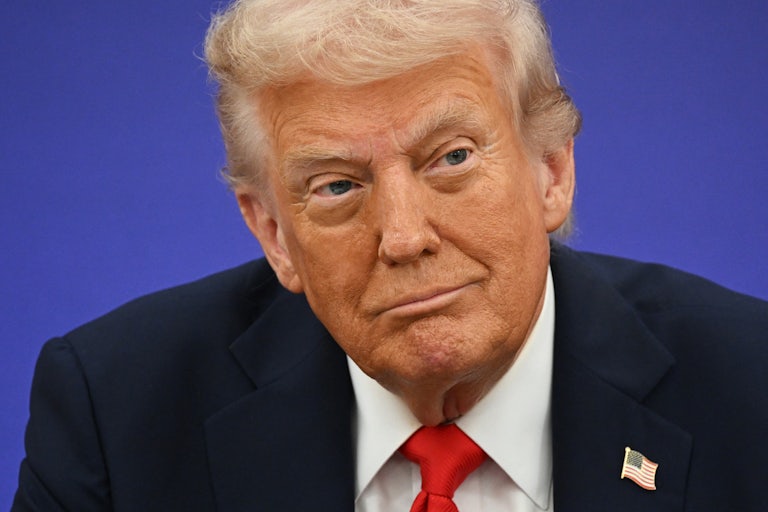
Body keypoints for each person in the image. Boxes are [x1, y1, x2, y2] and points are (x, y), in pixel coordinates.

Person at [12, 0, 768, 510]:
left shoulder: (750, 391)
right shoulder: (117, 416)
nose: (404, 237)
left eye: (452, 158)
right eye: (338, 185)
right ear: (273, 232)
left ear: (552, 171)